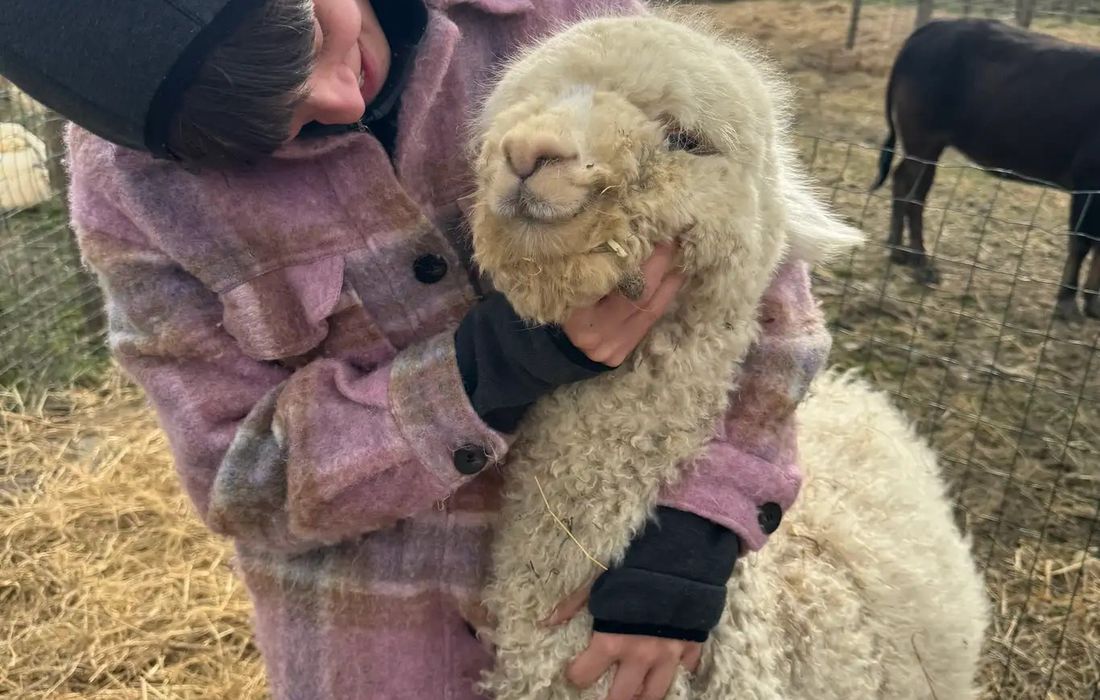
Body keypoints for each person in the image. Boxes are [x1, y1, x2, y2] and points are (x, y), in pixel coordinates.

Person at [0, 1, 833, 698]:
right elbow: (236, 480)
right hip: (376, 639)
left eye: (304, 35)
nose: (336, 100)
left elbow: (757, 278)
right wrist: (485, 370)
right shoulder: (132, 191)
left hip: (622, 594)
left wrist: (697, 535)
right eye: (247, 125)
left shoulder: (565, 21)